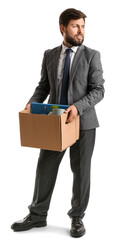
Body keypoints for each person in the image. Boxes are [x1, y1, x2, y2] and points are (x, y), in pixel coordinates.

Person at [11, 8, 105, 238]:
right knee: (45, 167)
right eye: (75, 26)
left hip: (83, 124)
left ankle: (77, 218)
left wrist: (77, 107)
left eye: (83, 26)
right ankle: (37, 215)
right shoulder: (50, 55)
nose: (81, 30)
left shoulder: (92, 55)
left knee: (81, 172)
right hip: (55, 122)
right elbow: (44, 86)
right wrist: (31, 104)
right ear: (63, 28)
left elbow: (99, 90)